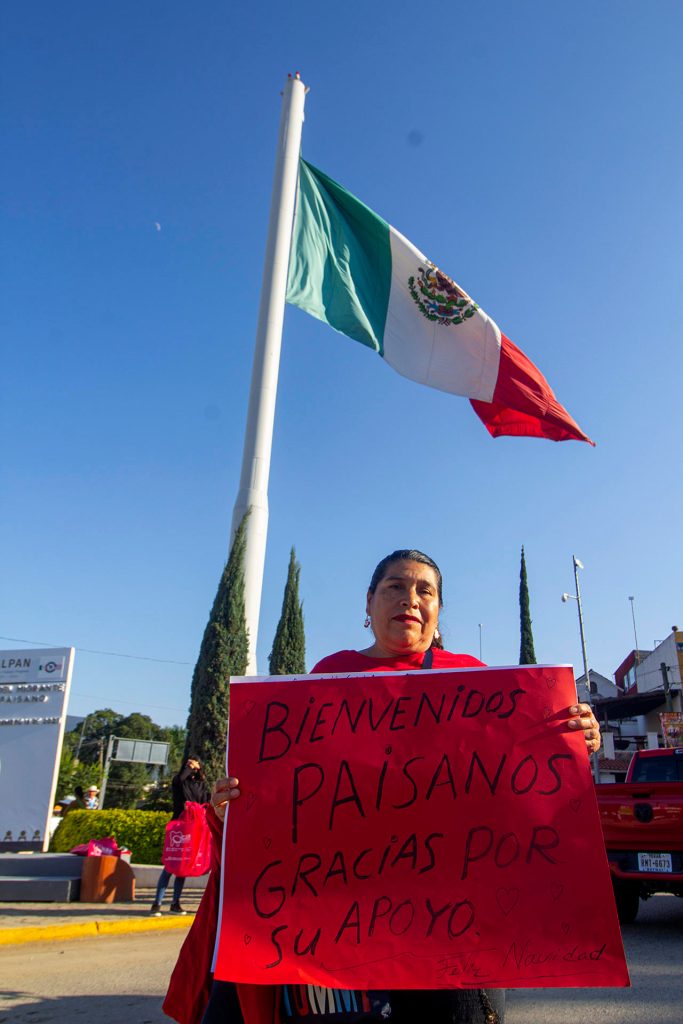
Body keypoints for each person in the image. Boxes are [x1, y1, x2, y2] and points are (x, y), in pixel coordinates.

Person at [164, 550, 601, 1024]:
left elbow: (518, 796)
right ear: (369, 602)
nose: (409, 600)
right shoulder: (326, 679)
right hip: (342, 929)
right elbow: (291, 801)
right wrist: (233, 809)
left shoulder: (478, 682)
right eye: (394, 587)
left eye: (424, 590)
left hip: (457, 929)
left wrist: (573, 741)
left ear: (437, 610)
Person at [151, 756, 211, 916]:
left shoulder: (200, 785)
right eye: (188, 763)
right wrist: (189, 768)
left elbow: (208, 800)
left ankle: (175, 903)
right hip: (179, 826)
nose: (191, 766)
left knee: (184, 866)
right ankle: (157, 903)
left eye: (194, 763)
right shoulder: (179, 782)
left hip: (193, 829)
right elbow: (179, 780)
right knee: (170, 865)